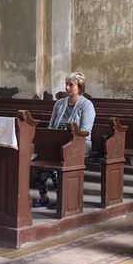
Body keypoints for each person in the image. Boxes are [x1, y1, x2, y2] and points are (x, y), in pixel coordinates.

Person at [33, 72, 96, 208]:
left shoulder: (87, 105)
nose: (67, 88)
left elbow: (85, 131)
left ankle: (61, 199)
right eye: (66, 84)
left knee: (59, 163)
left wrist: (66, 137)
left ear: (79, 87)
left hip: (79, 143)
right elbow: (51, 125)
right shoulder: (59, 104)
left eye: (71, 85)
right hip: (57, 142)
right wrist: (48, 141)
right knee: (37, 164)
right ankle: (43, 198)